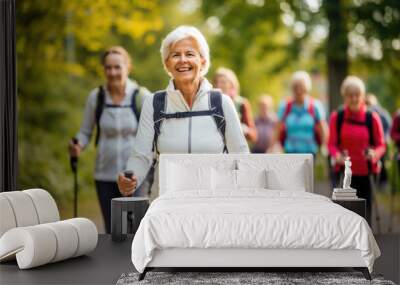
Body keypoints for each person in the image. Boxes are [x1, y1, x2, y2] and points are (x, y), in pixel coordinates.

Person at [117, 26, 249, 199]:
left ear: (202, 61)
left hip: (214, 205)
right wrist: (130, 177)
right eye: (175, 55)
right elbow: (141, 155)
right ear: (167, 64)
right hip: (166, 205)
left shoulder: (222, 103)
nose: (182, 60)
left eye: (190, 54)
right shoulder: (154, 103)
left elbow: (241, 156)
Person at [68, 46, 151, 233]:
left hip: (135, 176)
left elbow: (152, 136)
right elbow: (85, 132)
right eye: (108, 67)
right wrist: (78, 144)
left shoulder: (142, 97)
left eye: (117, 67)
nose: (112, 72)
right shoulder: (96, 97)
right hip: (105, 174)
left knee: (136, 228)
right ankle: (115, 263)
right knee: (114, 229)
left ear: (127, 67)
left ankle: (138, 262)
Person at [328, 76, 385, 225]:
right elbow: (331, 144)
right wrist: (337, 155)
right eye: (350, 95)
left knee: (365, 214)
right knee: (345, 213)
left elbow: (381, 145)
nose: (353, 99)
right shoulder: (337, 117)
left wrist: (374, 154)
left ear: (363, 96)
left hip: (366, 171)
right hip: (344, 171)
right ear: (344, 96)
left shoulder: (371, 117)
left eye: (357, 95)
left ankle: (366, 244)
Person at [274, 71, 328, 155]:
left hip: (310, 152)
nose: (299, 90)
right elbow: (277, 128)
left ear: (307, 88)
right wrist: (274, 145)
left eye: (302, 87)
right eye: (295, 87)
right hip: (290, 151)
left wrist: (324, 146)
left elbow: (322, 127)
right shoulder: (285, 106)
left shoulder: (315, 106)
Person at [213, 67, 257, 144]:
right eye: (216, 82)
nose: (219, 85)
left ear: (231, 84)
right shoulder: (210, 103)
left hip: (235, 149)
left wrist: (244, 129)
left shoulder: (241, 103)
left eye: (223, 82)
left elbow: (253, 135)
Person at [366, 93, 392, 185]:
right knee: (379, 162)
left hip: (380, 142)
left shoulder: (379, 113)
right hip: (378, 142)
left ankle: (381, 182)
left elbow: (389, 126)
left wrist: (384, 137)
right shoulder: (382, 112)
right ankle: (379, 182)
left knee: (381, 162)